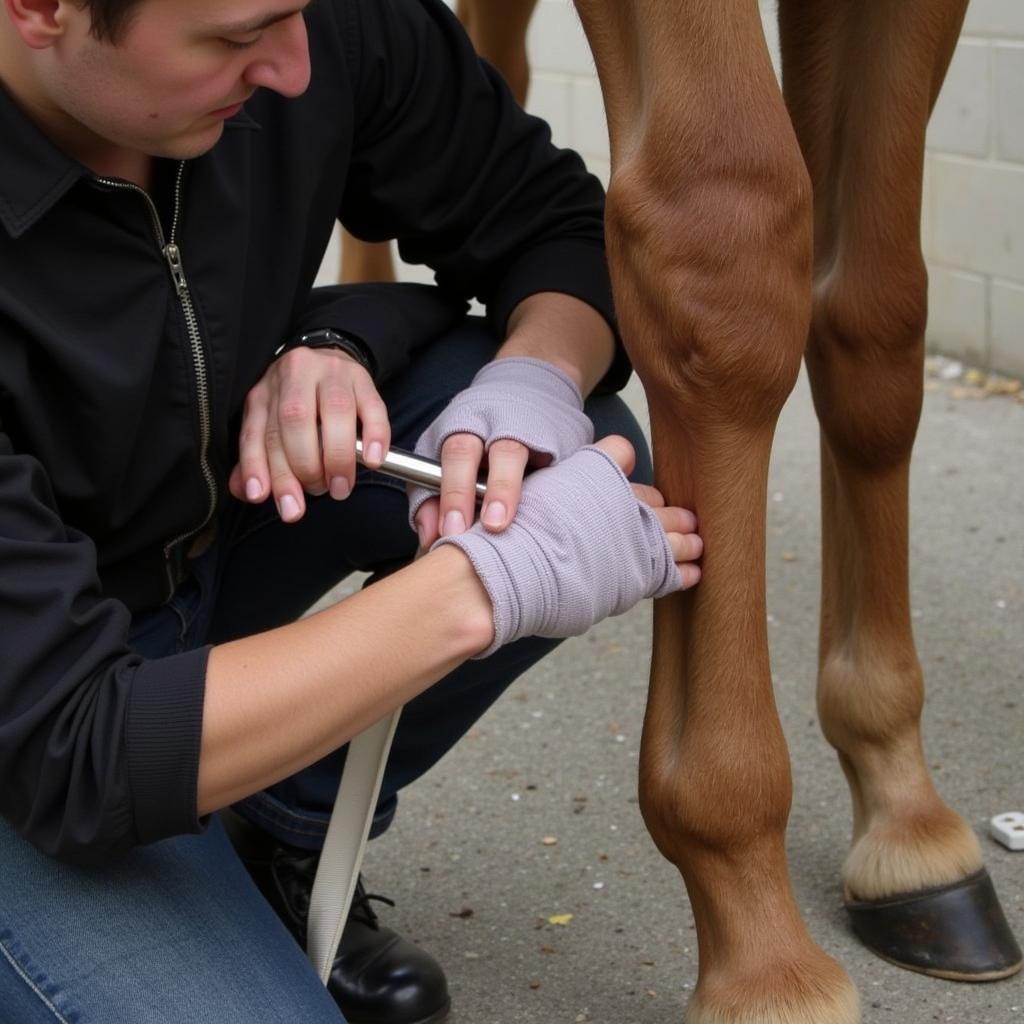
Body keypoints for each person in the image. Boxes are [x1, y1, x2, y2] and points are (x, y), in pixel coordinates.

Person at [0, 1, 703, 1022]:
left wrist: (445, 357)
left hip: (195, 556)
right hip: (38, 727)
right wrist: (484, 586)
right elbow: (72, 747)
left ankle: (283, 819)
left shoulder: (319, 27)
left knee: (562, 445)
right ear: (43, 9)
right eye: (240, 36)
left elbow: (552, 223)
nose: (292, 68)